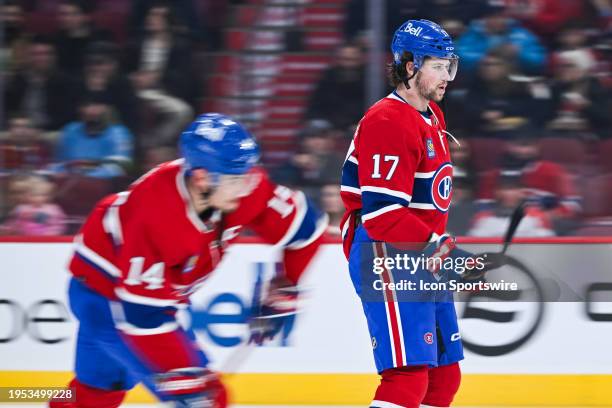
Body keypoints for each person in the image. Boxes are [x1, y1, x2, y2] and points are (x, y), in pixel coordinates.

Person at [49, 113, 328, 407]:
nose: (247, 186)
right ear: (201, 178)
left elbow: (307, 230)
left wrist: (286, 284)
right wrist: (187, 379)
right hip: (106, 298)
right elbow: (143, 317)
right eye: (236, 179)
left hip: (143, 300)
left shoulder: (242, 185)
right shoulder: (156, 216)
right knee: (205, 397)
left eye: (248, 172)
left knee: (94, 395)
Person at [339, 19, 503, 407]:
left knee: (443, 379)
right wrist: (447, 256)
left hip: (419, 257)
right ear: (409, 65)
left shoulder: (430, 114)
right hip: (386, 254)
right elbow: (381, 217)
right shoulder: (388, 119)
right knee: (407, 377)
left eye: (451, 66)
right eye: (438, 66)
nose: (447, 76)